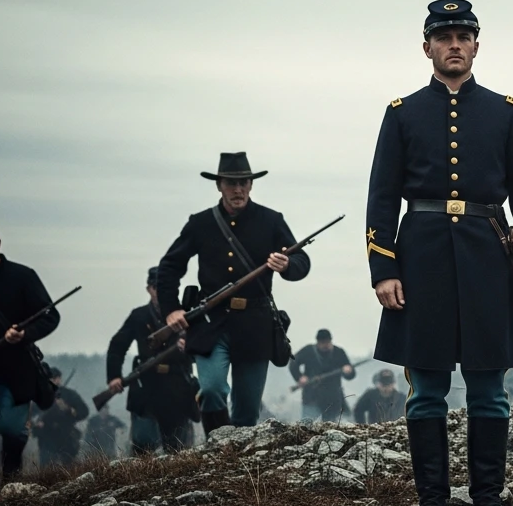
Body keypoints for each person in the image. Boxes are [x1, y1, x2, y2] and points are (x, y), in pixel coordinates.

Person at [366, 0, 513, 506]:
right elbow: (380, 198)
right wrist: (384, 269)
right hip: (419, 260)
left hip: (488, 258)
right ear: (426, 46)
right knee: (426, 390)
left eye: (463, 35)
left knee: (489, 391)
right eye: (443, 36)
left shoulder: (506, 111)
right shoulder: (401, 112)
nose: (454, 44)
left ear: (476, 43)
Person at [156, 153, 311, 433]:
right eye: (231, 183)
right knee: (212, 388)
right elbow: (169, 266)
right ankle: (217, 446)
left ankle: (238, 466)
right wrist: (171, 309)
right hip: (211, 323)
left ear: (251, 185)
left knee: (247, 409)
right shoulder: (200, 223)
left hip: (255, 323)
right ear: (219, 186)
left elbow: (302, 261)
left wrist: (287, 264)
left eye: (243, 182)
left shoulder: (271, 220)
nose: (238, 189)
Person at [0, 218, 61, 483]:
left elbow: (50, 316)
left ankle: (11, 481)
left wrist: (24, 334)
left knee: (13, 428)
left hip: (15, 366)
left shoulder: (23, 276)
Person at [105, 267, 200, 454]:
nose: (160, 291)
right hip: (146, 386)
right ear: (149, 289)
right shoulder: (139, 316)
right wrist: (114, 376)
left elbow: (204, 349)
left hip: (178, 386)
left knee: (178, 449)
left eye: (164, 286)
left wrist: (190, 346)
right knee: (143, 443)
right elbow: (118, 345)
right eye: (156, 287)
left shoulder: (187, 315)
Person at [289, 329, 357, 422]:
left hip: (333, 398)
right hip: (312, 396)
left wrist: (348, 371)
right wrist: (299, 377)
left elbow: (350, 374)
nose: (325, 345)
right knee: (306, 425)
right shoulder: (308, 351)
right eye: (322, 342)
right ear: (318, 342)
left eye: (327, 342)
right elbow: (293, 363)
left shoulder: (339, 352)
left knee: (332, 426)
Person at [31, 367, 89, 467]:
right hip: (47, 436)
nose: (52, 381)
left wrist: (68, 409)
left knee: (69, 467)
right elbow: (31, 414)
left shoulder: (70, 395)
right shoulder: (41, 396)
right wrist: (36, 422)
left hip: (66, 435)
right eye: (50, 378)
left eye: (55, 378)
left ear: (59, 379)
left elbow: (84, 411)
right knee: (46, 467)